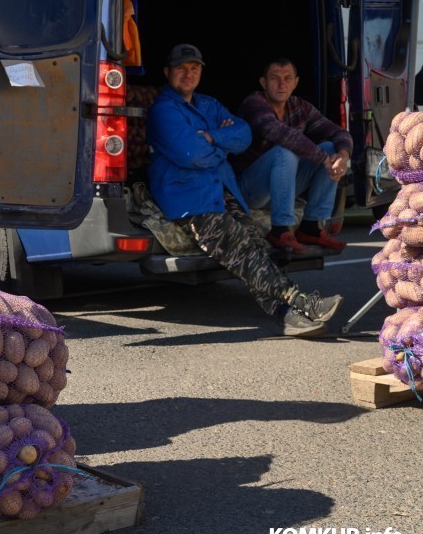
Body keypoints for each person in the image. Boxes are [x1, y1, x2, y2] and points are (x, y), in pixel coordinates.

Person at [146, 44, 343, 338]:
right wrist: (220, 149)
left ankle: (287, 316)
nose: (188, 74)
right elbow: (190, 154)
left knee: (254, 250)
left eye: (194, 68)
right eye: (181, 69)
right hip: (192, 200)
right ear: (167, 72)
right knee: (243, 248)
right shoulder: (163, 111)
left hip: (225, 191)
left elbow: (243, 134)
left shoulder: (208, 104)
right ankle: (302, 302)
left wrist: (212, 137)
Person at [231, 58, 352, 253]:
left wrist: (342, 156)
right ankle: (280, 230)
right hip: (251, 190)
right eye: (275, 78)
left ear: (295, 83)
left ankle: (312, 226)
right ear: (263, 82)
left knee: (331, 147)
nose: (281, 84)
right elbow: (277, 132)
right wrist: (322, 159)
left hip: (282, 189)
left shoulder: (300, 107)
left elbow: (338, 132)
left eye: (287, 78)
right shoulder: (254, 103)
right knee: (284, 152)